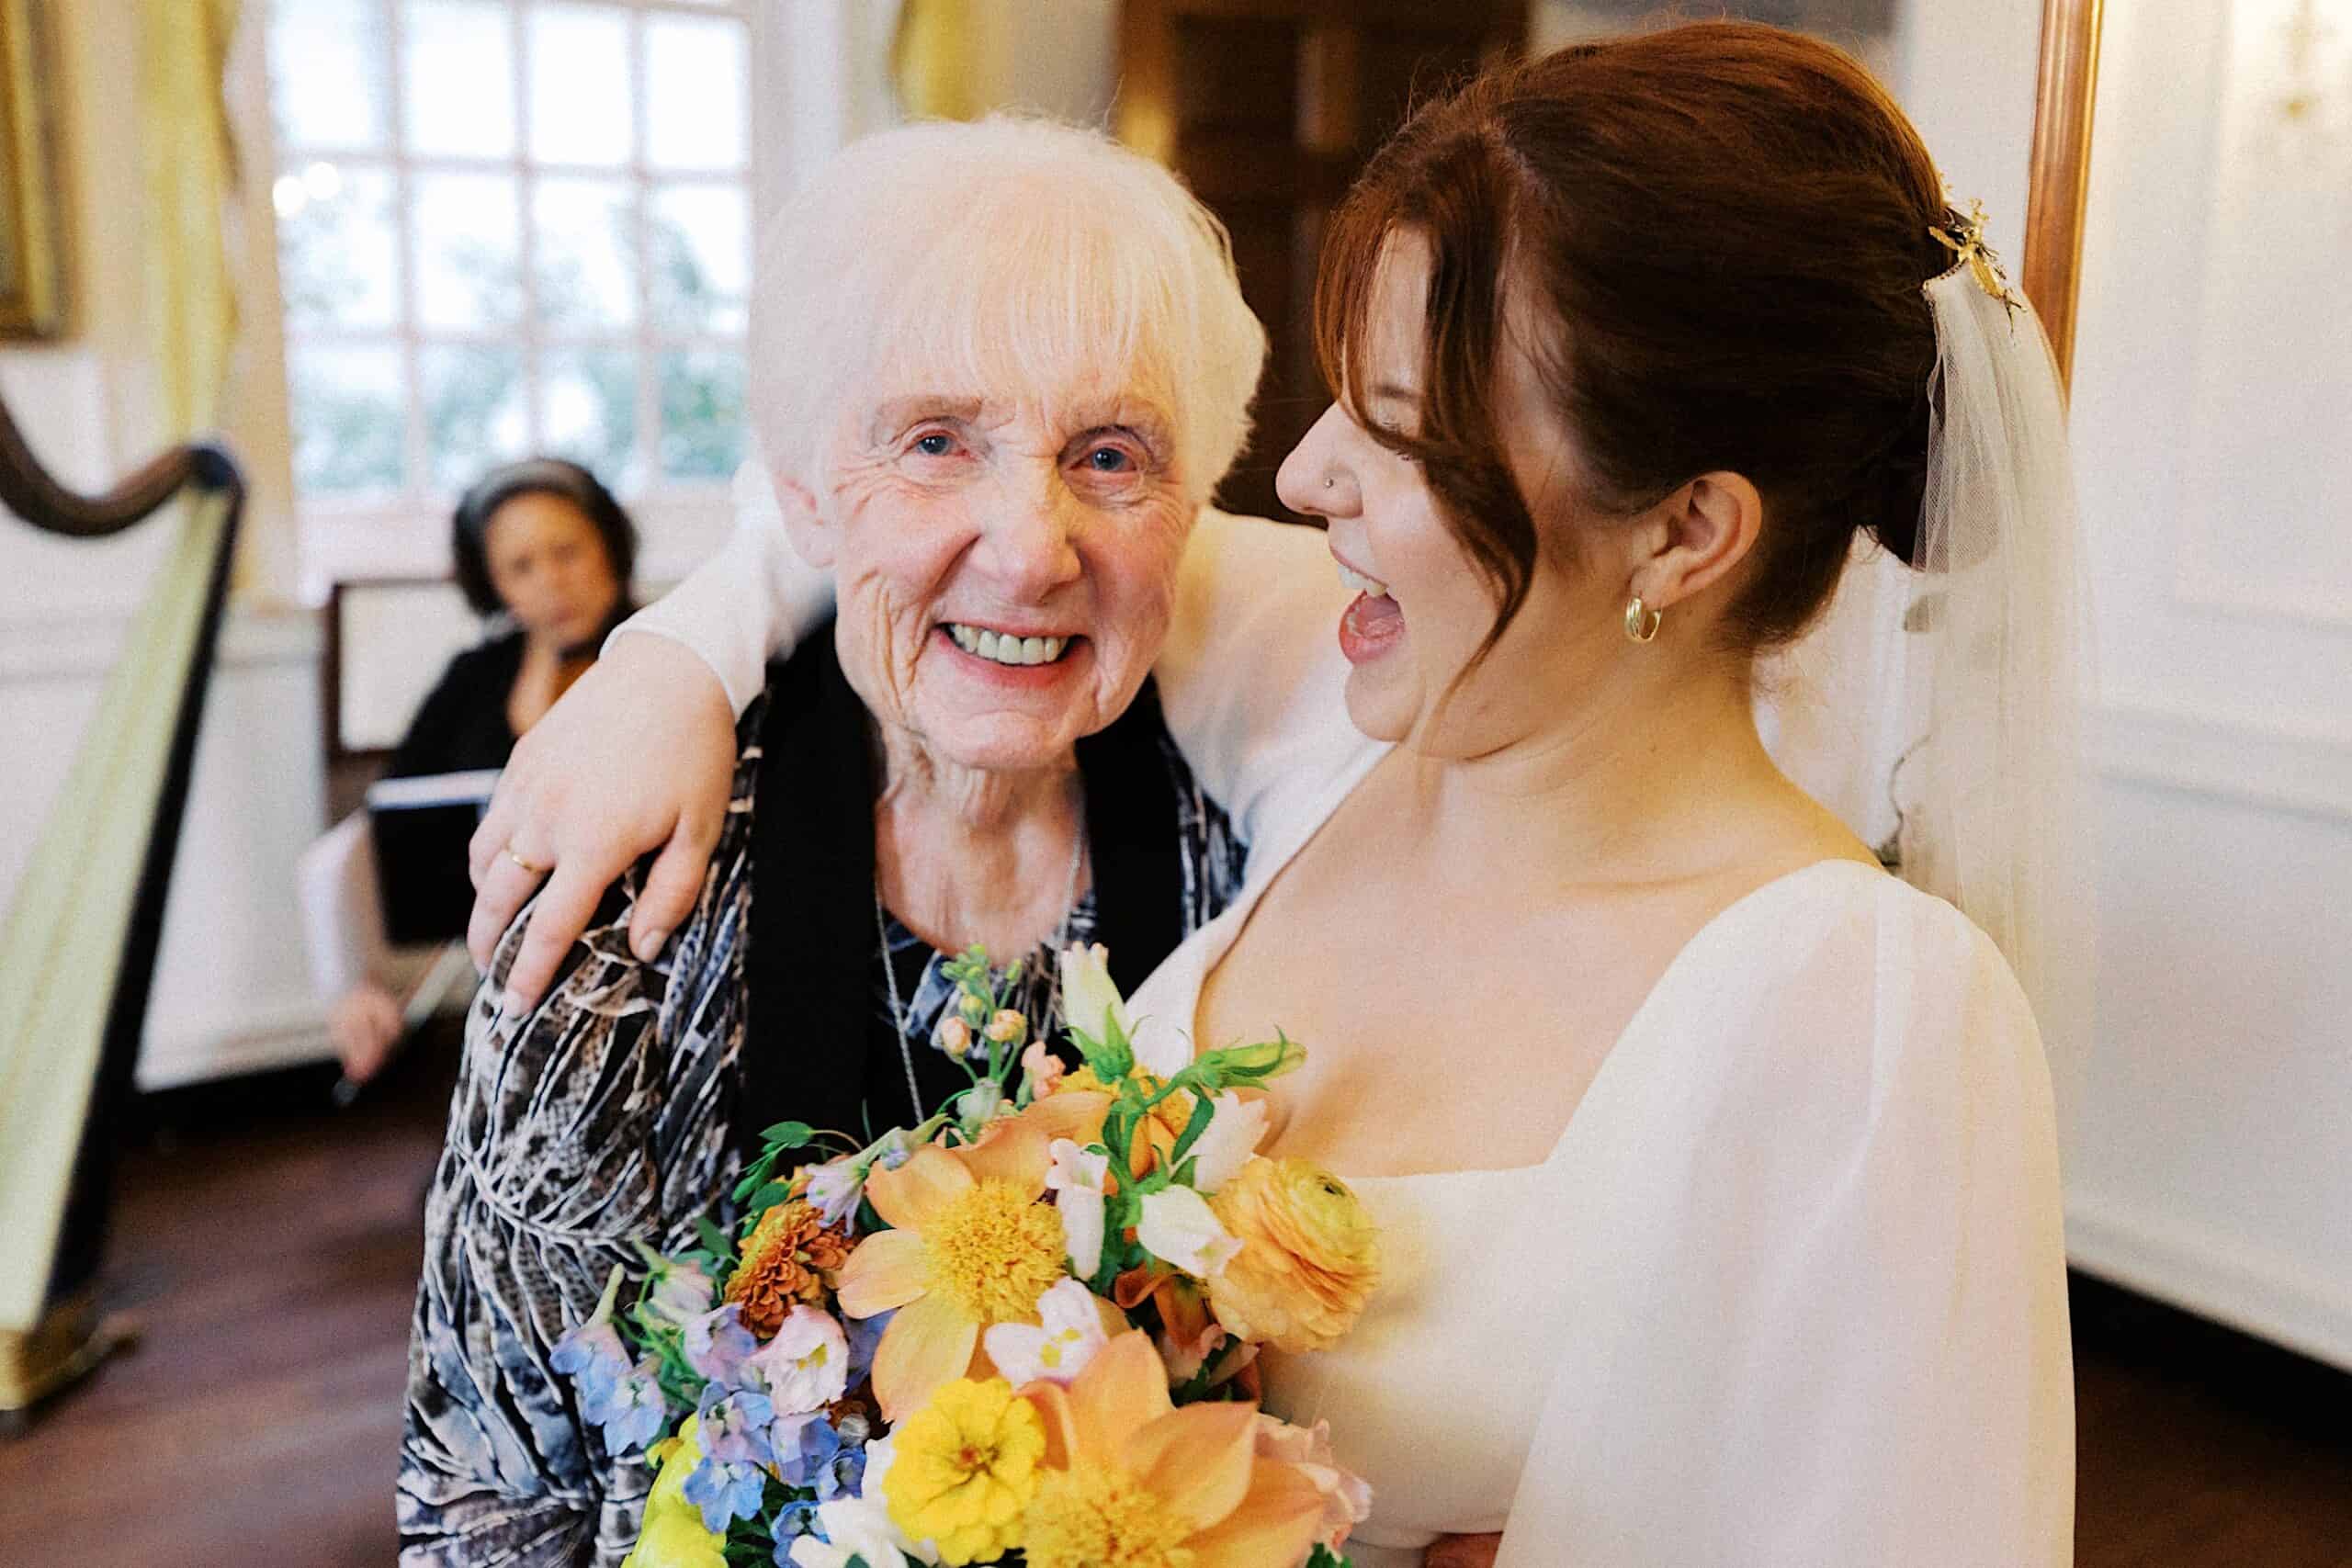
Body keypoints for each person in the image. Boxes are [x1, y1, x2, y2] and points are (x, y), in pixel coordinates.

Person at [469, 24, 2081, 1565]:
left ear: (1680, 533)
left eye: (1396, 431)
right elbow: (926, 485)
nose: (1302, 482)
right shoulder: (1358, 697)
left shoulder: (1873, 1016)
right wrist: (659, 662)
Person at [397, 118, 1272, 1566]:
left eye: (1110, 456)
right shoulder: (632, 900)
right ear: (802, 497)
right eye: (938, 442)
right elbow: (486, 1501)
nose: (1032, 546)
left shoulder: (1253, 861)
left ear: (1192, 508)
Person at [298, 457, 637, 1086]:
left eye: (568, 552)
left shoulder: (659, 657)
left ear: (609, 548)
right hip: (504, 968)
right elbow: (392, 817)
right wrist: (354, 975)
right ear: (492, 583)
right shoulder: (475, 676)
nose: (551, 583)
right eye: (521, 566)